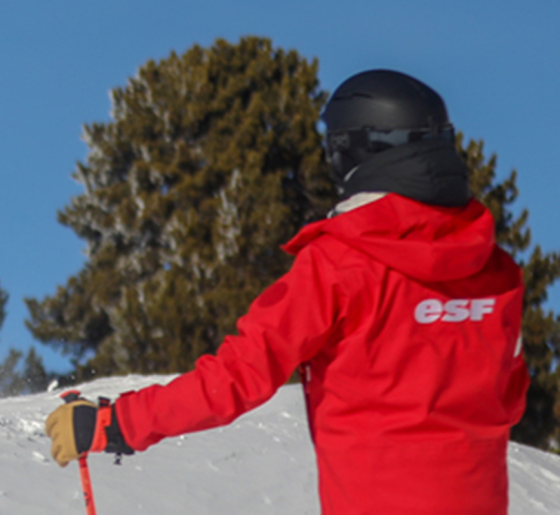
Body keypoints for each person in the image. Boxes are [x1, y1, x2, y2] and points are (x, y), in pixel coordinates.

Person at [45, 69, 528, 515]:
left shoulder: (341, 264)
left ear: (352, 153)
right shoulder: (496, 270)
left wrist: (114, 424)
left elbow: (238, 377)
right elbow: (510, 397)